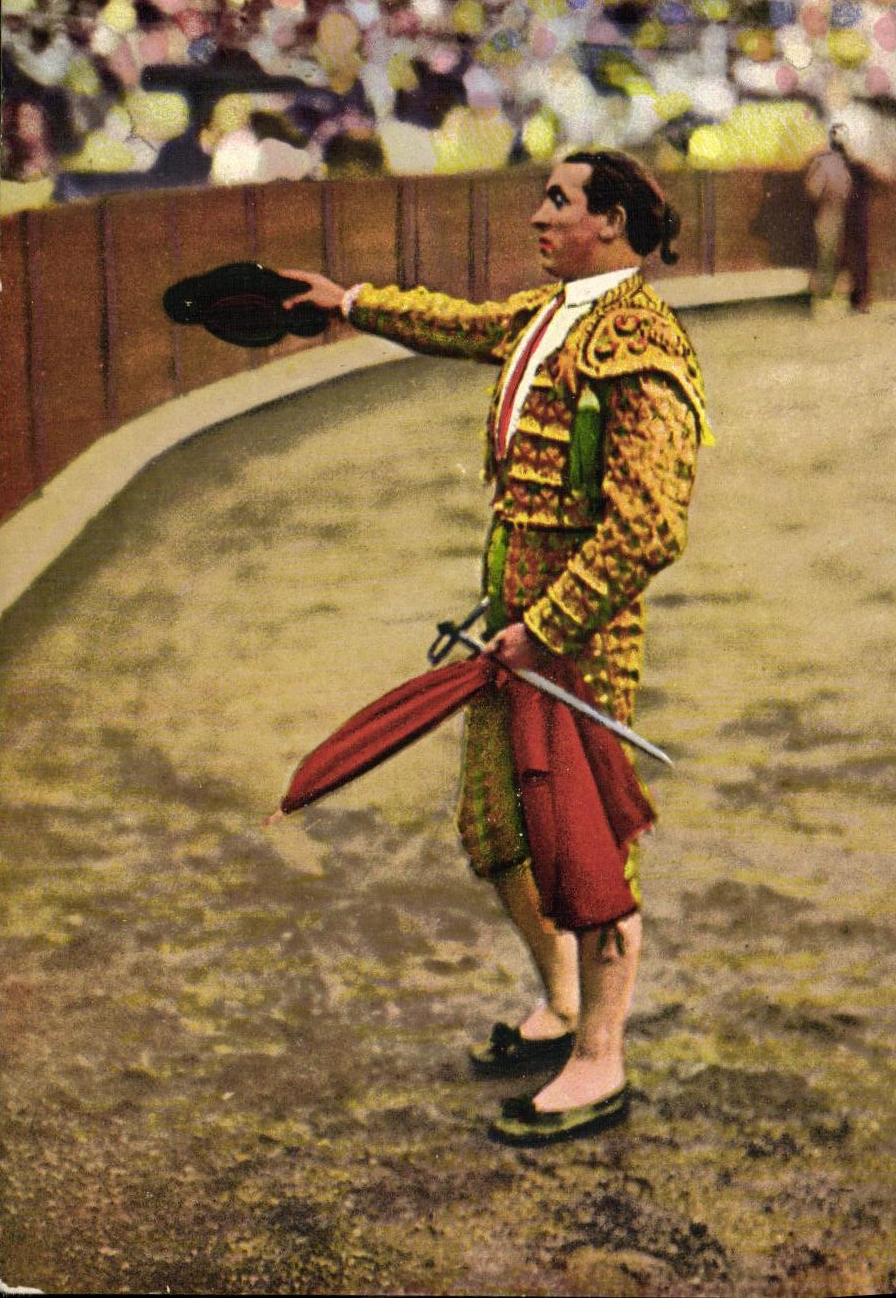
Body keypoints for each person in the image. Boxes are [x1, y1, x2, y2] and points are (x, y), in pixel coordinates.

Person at [282, 148, 712, 1144]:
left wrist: (549, 626)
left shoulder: (641, 341)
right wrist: (351, 301)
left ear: (610, 222)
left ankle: (601, 1058)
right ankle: (563, 998)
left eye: (557, 200)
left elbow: (650, 525)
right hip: (509, 626)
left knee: (586, 846)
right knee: (495, 830)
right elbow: (459, 322)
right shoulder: (552, 313)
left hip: (576, 643)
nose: (536, 216)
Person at [805, 123, 870, 311]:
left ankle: (826, 297)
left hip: (831, 211)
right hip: (848, 213)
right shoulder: (855, 163)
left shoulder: (824, 162)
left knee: (828, 255)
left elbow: (813, 190)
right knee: (842, 254)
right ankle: (846, 296)